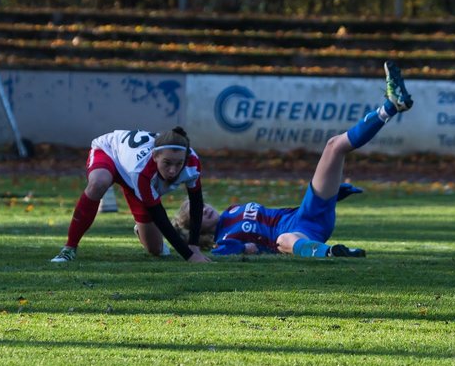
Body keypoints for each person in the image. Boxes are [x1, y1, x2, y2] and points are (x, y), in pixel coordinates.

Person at [175, 61, 413, 258]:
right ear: (198, 230)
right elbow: (230, 253)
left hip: (306, 213)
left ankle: (390, 106)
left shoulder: (231, 211)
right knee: (283, 240)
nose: (203, 210)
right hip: (299, 233)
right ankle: (332, 253)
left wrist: (333, 193)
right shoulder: (223, 241)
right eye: (195, 215)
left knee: (334, 146)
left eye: (200, 207)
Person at [51, 126, 210, 263]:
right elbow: (159, 214)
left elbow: (196, 202)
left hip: (133, 178)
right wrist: (189, 256)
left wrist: (193, 247)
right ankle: (69, 247)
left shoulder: (192, 163)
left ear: (186, 158)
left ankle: (141, 230)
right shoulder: (141, 169)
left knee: (156, 249)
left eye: (178, 164)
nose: (173, 170)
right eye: (167, 163)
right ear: (155, 156)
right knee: (99, 183)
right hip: (110, 153)